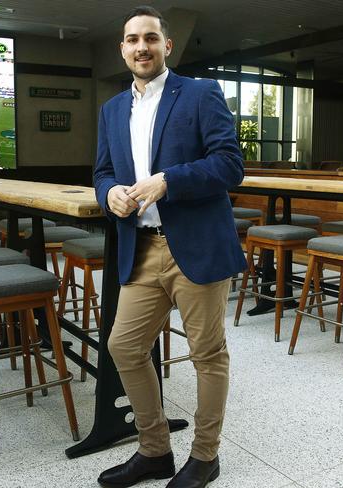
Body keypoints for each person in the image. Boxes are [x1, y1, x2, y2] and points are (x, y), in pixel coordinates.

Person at [93, 7, 245, 488]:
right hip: (140, 248)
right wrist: (110, 192)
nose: (142, 47)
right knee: (124, 346)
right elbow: (101, 172)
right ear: (122, 48)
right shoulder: (112, 109)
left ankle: (205, 456)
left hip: (195, 247)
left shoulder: (200, 93)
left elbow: (229, 164)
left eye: (151, 38)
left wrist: (167, 182)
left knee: (206, 354)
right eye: (133, 39)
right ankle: (155, 450)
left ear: (167, 45)